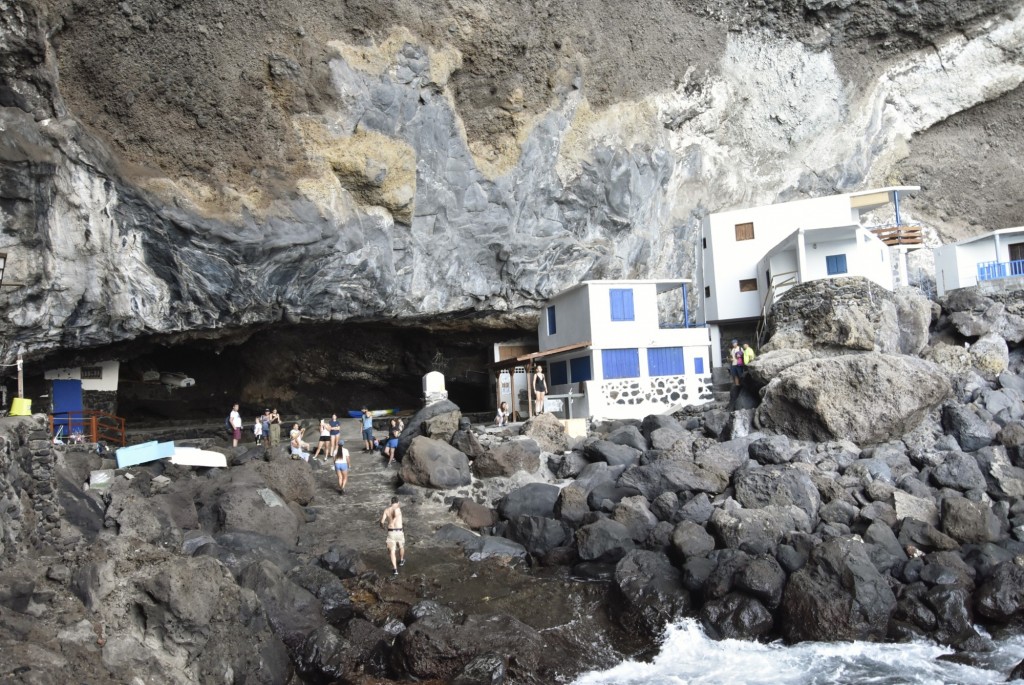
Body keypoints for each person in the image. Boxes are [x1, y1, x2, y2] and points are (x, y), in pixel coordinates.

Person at [380, 496, 405, 576]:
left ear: (391, 502)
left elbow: (382, 522)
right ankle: (401, 560)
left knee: (392, 551)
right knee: (401, 546)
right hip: (399, 532)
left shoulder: (386, 510)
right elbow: (396, 515)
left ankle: (395, 569)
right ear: (397, 502)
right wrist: (392, 522)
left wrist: (383, 526)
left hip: (391, 533)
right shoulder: (398, 509)